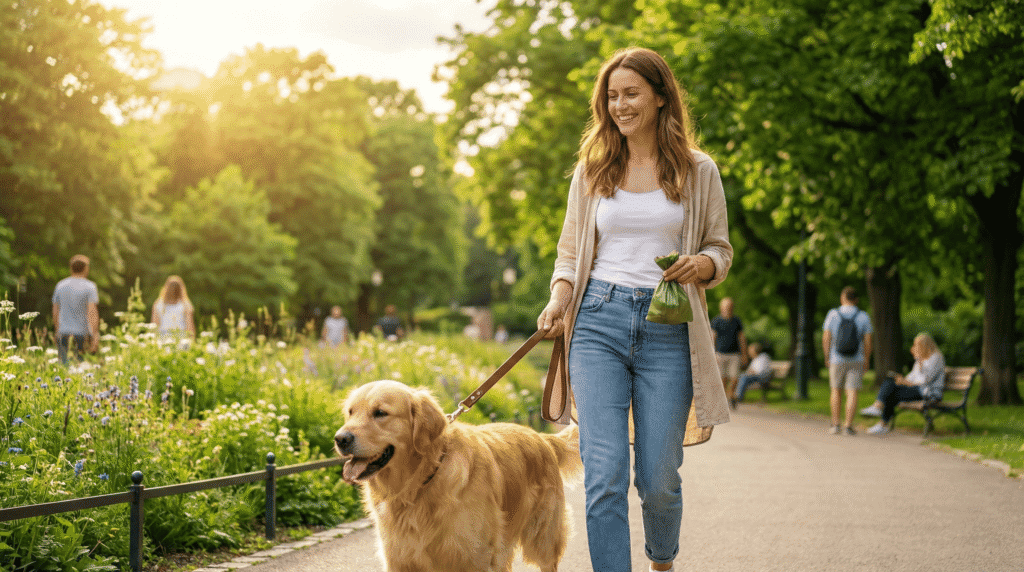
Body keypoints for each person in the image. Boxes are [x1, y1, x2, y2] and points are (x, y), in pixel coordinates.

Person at [537, 47, 732, 572]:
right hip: (596, 321)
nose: (620, 105)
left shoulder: (698, 170)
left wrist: (702, 264)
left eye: (631, 94)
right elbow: (570, 253)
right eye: (612, 96)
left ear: (661, 96)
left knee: (659, 479)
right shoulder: (594, 169)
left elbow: (720, 249)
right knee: (603, 476)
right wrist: (558, 298)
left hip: (668, 329)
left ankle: (661, 559)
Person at [861, 333, 946, 435]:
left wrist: (918, 362)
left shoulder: (936, 358)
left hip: (929, 393)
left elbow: (927, 379)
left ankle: (881, 418)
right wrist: (902, 380)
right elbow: (912, 377)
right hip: (919, 390)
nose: (914, 348)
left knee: (891, 392)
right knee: (890, 382)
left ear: (924, 346)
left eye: (916, 345)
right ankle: (879, 414)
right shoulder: (920, 360)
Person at [822, 286, 872, 436]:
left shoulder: (833, 314)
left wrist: (827, 356)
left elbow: (826, 337)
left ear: (842, 298)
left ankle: (835, 424)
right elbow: (868, 341)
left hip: (836, 358)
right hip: (856, 359)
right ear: (856, 300)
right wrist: (866, 359)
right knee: (852, 392)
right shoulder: (863, 316)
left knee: (836, 390)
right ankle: (848, 426)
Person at [52, 254, 99, 364]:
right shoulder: (90, 287)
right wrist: (95, 335)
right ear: (86, 269)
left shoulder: (60, 285)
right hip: (82, 334)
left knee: (64, 366)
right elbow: (92, 312)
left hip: (63, 333)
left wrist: (57, 331)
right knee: (80, 368)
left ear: (71, 268)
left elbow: (55, 311)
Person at [710, 297, 747, 407]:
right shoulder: (716, 321)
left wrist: (744, 355)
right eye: (726, 307)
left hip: (734, 354)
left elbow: (741, 338)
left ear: (732, 307)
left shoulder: (737, 321)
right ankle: (726, 399)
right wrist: (713, 354)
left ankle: (730, 394)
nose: (728, 308)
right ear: (721, 308)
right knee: (723, 379)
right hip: (720, 354)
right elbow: (712, 338)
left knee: (735, 378)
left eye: (730, 306)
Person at [151, 275, 195, 341]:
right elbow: (190, 326)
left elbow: (154, 325)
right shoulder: (185, 305)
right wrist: (191, 340)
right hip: (180, 338)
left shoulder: (158, 304)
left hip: (163, 338)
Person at [733, 342, 773, 406]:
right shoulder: (755, 358)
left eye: (750, 350)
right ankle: (735, 396)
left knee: (744, 376)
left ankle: (738, 397)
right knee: (740, 376)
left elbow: (759, 371)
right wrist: (749, 373)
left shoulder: (763, 357)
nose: (749, 352)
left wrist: (750, 372)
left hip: (763, 378)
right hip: (756, 377)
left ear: (755, 350)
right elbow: (749, 371)